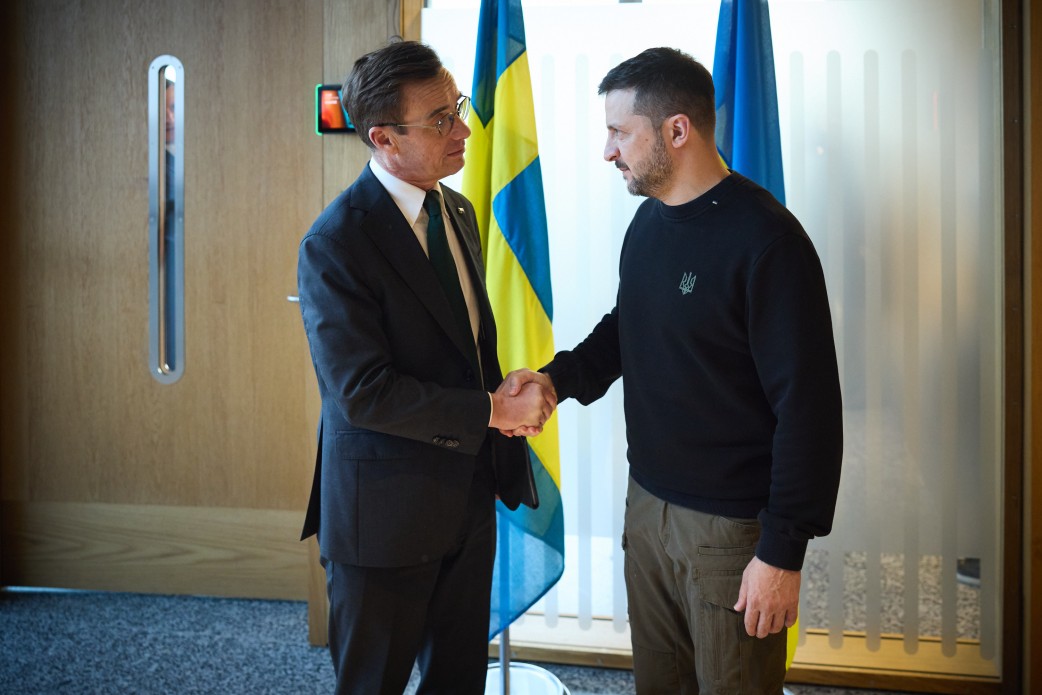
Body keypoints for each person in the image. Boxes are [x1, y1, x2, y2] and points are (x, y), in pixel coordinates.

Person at [505, 47, 843, 693]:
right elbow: (628, 328)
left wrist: (781, 552)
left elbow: (810, 410)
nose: (609, 151)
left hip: (731, 533)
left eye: (619, 132)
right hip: (648, 510)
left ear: (676, 130)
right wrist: (555, 379)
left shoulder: (768, 242)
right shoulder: (648, 225)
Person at [297, 40, 554, 695]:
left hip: (467, 499)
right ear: (383, 137)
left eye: (458, 108)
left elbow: (461, 349)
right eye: (441, 119)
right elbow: (363, 393)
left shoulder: (458, 210)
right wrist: (493, 411)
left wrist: (501, 390)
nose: (463, 129)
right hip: (383, 518)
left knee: (457, 680)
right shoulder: (336, 243)